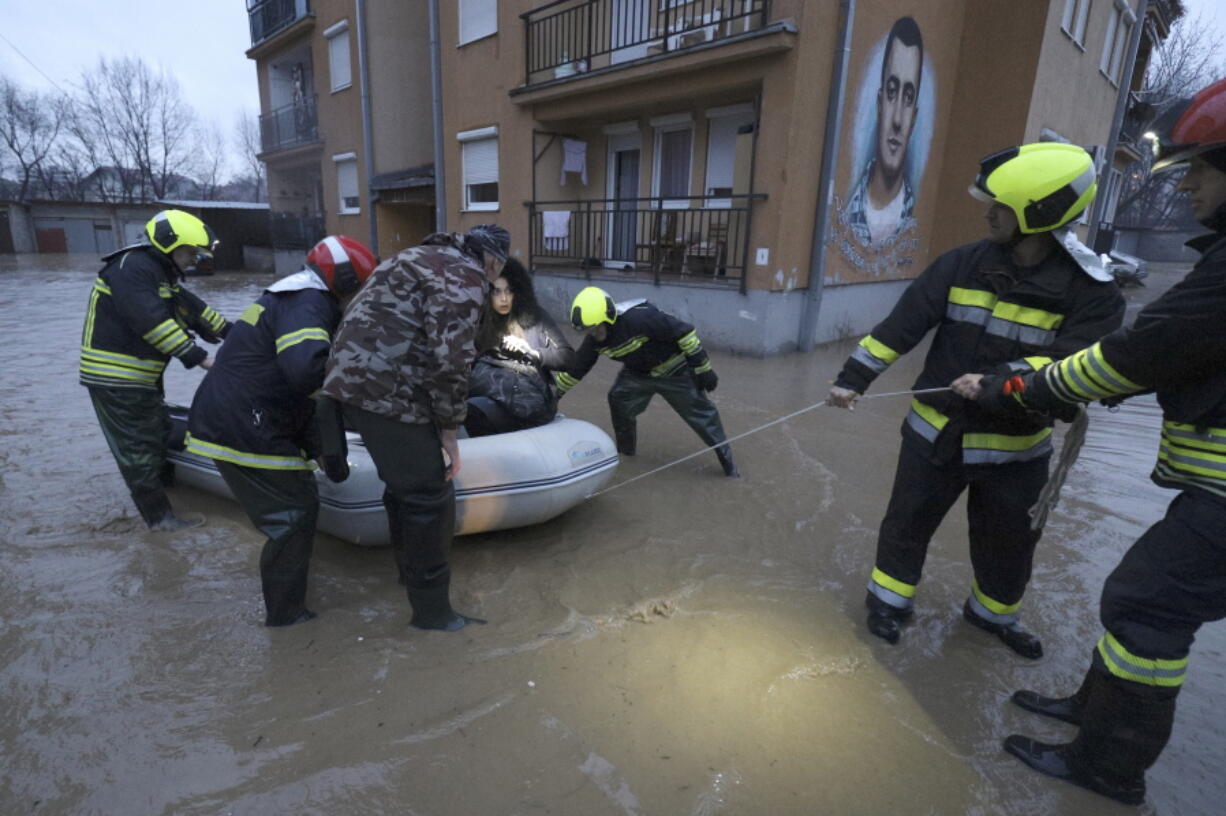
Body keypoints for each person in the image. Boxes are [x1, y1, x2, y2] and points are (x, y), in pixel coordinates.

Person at [967, 77, 1226, 806]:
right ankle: (1092, 715)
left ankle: (1108, 769)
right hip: (1211, 492)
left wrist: (1018, 388)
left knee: (1144, 609)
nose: (1191, 188)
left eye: (1203, 169)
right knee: (1135, 600)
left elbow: (1138, 352)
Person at [828, 142, 1126, 656]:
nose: (988, 213)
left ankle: (991, 618)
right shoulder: (960, 264)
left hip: (1017, 453)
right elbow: (902, 326)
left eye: (1002, 206)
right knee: (905, 526)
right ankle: (888, 605)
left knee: (1009, 545)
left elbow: (1074, 364)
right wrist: (854, 377)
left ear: (1039, 214)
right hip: (933, 436)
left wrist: (1000, 380)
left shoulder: (1093, 294)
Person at [319, 225, 512, 632]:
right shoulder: (465, 275)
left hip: (349, 383)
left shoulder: (413, 256)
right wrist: (449, 433)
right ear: (493, 260)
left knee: (404, 485)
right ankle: (433, 615)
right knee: (430, 495)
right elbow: (451, 361)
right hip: (385, 390)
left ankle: (408, 576)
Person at [185, 236, 378, 627]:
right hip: (246, 423)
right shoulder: (309, 303)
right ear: (343, 281)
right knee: (293, 513)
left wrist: (322, 448)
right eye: (360, 286)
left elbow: (300, 393)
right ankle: (286, 616)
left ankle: (290, 600)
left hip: (241, 415)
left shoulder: (295, 297)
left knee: (296, 506)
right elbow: (306, 372)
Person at [80, 209, 230, 531]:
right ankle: (161, 522)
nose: (194, 260)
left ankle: (170, 493)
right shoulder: (130, 270)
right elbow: (152, 321)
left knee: (157, 431)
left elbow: (192, 308)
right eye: (191, 252)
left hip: (138, 379)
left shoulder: (156, 274)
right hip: (117, 381)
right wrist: (201, 357)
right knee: (139, 449)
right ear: (169, 245)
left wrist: (237, 333)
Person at [557, 286, 738, 478]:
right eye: (588, 330)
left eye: (595, 328)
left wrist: (703, 368)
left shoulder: (640, 319)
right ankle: (625, 453)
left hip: (675, 371)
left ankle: (729, 465)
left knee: (703, 416)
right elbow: (576, 369)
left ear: (608, 317)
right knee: (619, 399)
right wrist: (554, 394)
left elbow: (685, 333)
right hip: (638, 374)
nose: (593, 334)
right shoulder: (594, 341)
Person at [464, 257, 576, 437]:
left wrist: (532, 353)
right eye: (497, 292)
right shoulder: (483, 320)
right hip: (487, 396)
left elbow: (569, 359)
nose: (503, 298)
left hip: (527, 403)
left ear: (519, 291)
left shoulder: (536, 317)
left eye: (509, 291)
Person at [844, 16, 924, 247]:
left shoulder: (911, 226)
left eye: (908, 98)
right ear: (879, 105)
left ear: (914, 117)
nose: (897, 120)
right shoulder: (848, 216)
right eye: (891, 92)